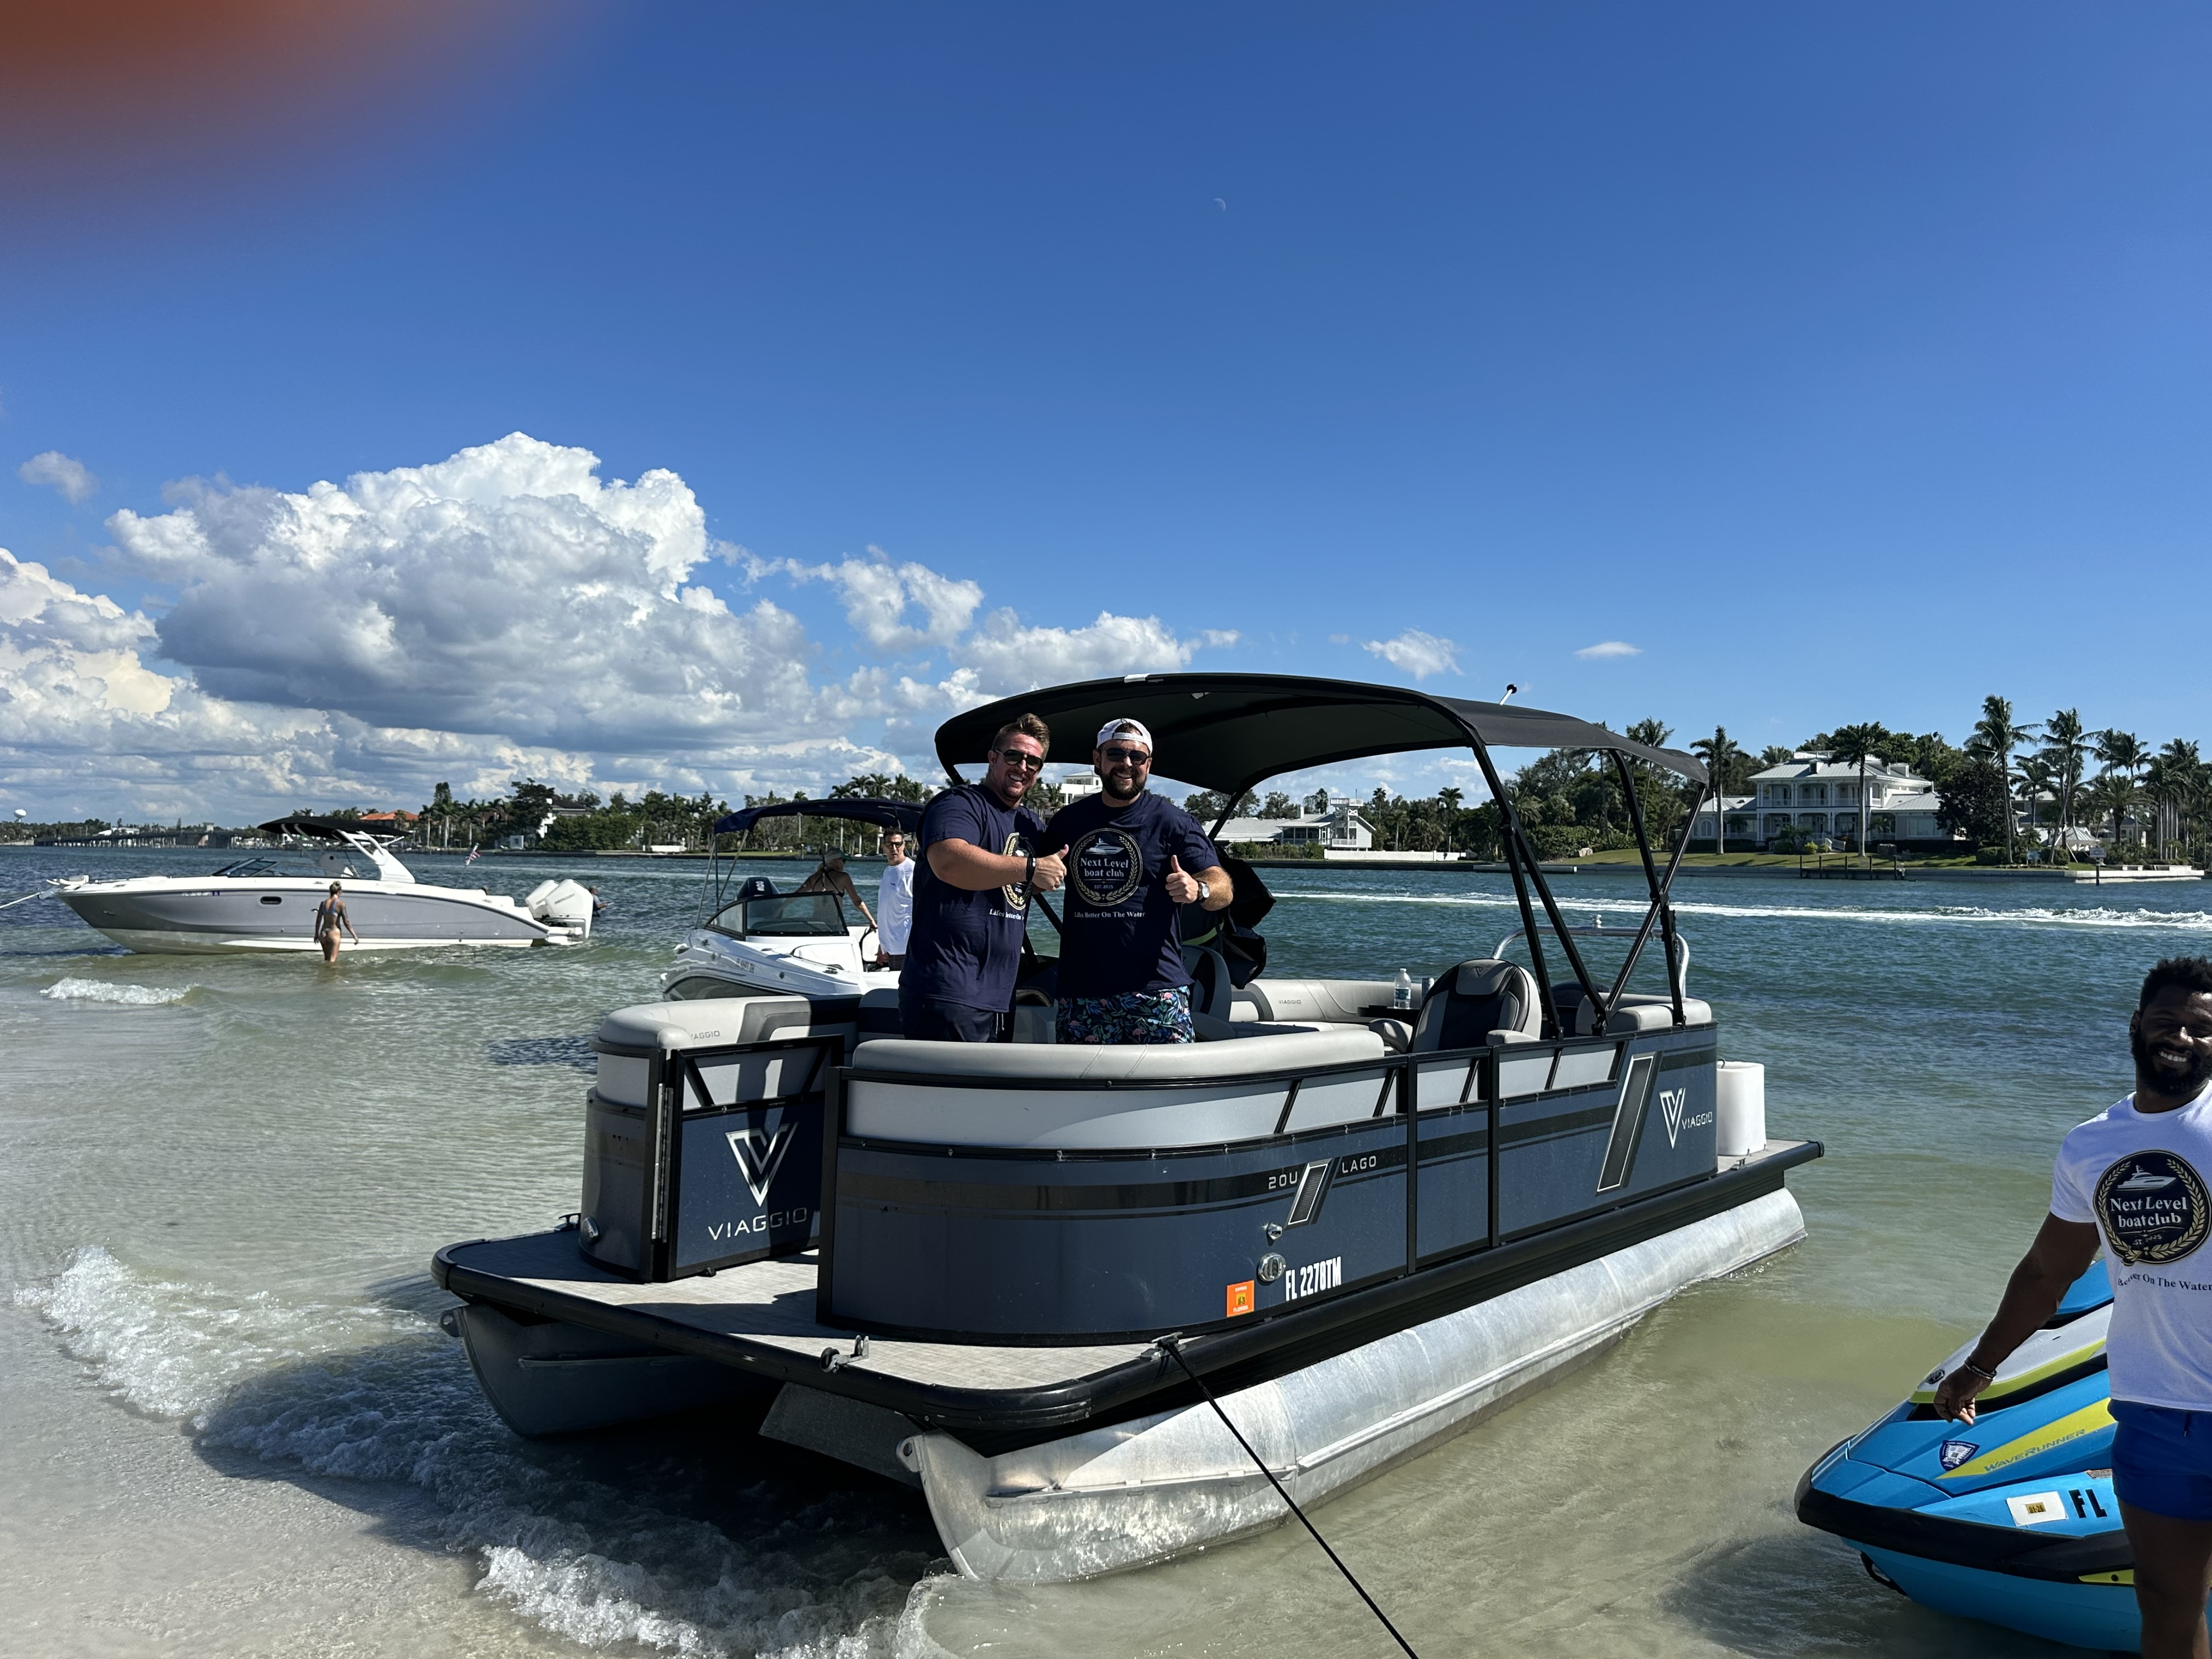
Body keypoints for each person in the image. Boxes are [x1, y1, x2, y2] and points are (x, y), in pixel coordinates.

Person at [1934, 957, 2212, 1659]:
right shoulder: (2093, 1144)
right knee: (2166, 1600)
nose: (2181, 1036)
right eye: (2167, 1021)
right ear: (2137, 1028)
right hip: (2154, 1408)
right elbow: (2047, 1273)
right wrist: (1980, 1366)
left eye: (2203, 1028)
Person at [1041, 718, 1233, 1044]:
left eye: (1137, 756)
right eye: (1115, 754)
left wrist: (1198, 889)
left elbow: (1223, 888)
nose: (1126, 763)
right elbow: (1028, 879)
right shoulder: (1067, 822)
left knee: (1171, 1088)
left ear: (1149, 764)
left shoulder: (1173, 821)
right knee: (1082, 1093)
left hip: (1158, 992)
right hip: (1082, 994)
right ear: (1097, 760)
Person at [900, 714, 1067, 1040]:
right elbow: (948, 861)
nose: (1023, 766)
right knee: (947, 1092)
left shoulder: (1030, 824)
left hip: (1002, 997)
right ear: (993, 758)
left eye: (1034, 761)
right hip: (947, 991)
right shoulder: (959, 804)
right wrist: (1031, 868)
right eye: (1014, 756)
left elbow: (1019, 884)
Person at [794, 851, 876, 930]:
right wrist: (871, 920)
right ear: (835, 862)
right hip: (833, 925)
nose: (845, 864)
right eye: (843, 860)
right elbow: (857, 902)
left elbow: (796, 896)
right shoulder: (844, 877)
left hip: (815, 924)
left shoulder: (814, 877)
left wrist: (781, 909)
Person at [874, 829, 914, 968]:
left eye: (898, 844)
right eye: (890, 845)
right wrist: (882, 945)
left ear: (904, 845)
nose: (894, 849)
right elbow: (886, 910)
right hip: (890, 948)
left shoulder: (912, 871)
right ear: (883, 846)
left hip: (906, 947)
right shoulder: (888, 871)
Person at [313, 882, 358, 963]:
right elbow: (346, 921)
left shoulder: (323, 903)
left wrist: (316, 934)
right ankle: (333, 976)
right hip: (334, 933)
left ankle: (324, 976)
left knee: (327, 960)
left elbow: (319, 919)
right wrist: (354, 936)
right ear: (339, 892)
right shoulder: (341, 904)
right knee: (332, 962)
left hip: (323, 933)